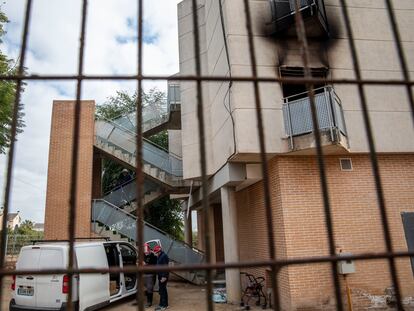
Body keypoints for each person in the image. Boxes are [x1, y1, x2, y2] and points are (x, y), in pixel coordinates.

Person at [153, 245, 169, 311]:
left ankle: (164, 305)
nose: (156, 253)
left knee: (163, 291)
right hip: (160, 276)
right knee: (161, 290)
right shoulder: (160, 256)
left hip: (163, 276)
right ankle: (161, 304)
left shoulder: (164, 256)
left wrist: (164, 277)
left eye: (156, 252)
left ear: (159, 251)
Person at [143, 243, 157, 308]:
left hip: (150, 274)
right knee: (144, 287)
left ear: (149, 249)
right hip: (144, 273)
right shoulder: (143, 255)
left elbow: (154, 266)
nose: (145, 253)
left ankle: (149, 302)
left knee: (149, 288)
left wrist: (146, 264)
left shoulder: (153, 256)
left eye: (146, 251)